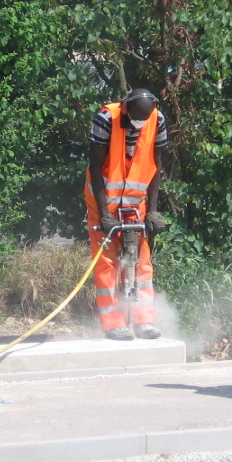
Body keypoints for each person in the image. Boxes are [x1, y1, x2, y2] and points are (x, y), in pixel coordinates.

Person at [85, 88, 168, 341]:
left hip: (137, 201)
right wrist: (103, 214)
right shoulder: (106, 118)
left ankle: (143, 321)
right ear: (126, 107)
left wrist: (152, 211)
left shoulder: (157, 118)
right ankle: (113, 323)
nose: (140, 122)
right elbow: (95, 167)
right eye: (136, 117)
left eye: (145, 117)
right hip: (104, 199)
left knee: (141, 260)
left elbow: (156, 166)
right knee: (108, 260)